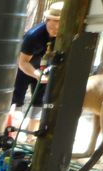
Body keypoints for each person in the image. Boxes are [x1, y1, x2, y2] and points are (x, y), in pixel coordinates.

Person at [10, 1, 64, 137]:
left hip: (44, 70)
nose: (56, 26)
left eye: (60, 22)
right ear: (48, 19)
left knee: (39, 103)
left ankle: (30, 137)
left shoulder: (64, 36)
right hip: (26, 69)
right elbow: (22, 62)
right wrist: (37, 74)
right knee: (17, 101)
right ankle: (11, 134)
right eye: (53, 21)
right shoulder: (33, 36)